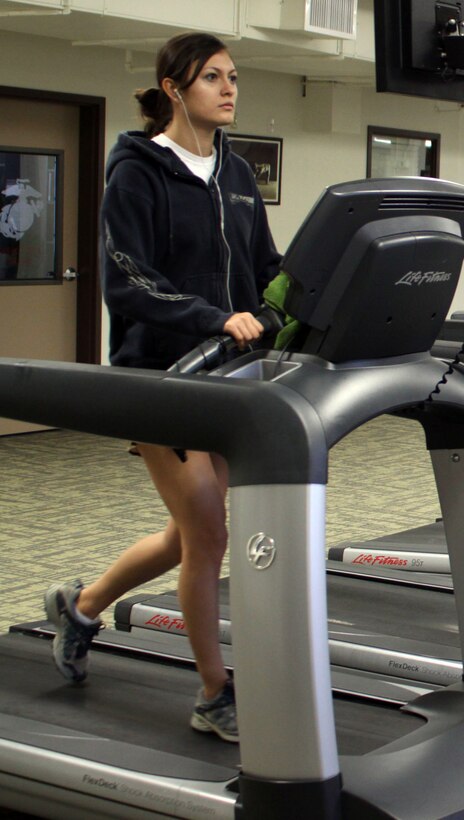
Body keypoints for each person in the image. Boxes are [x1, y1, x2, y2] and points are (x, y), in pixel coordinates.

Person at [44, 31, 281, 744]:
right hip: (164, 378)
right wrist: (218, 317)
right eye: (213, 77)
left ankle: (81, 607)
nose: (230, 88)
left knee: (190, 536)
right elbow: (129, 281)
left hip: (231, 378)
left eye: (233, 77)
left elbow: (267, 266)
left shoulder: (235, 174)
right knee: (209, 532)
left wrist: (302, 301)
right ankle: (215, 692)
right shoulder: (138, 171)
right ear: (176, 88)